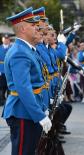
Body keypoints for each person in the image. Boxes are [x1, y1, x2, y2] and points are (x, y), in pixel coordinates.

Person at [2, 7, 52, 155]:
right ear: (23, 28)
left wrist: (43, 107)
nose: (37, 28)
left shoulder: (28, 50)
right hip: (22, 112)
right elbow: (24, 89)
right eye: (33, 25)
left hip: (28, 110)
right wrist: (40, 115)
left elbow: (38, 82)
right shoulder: (19, 53)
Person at [0, 34, 11, 106]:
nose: (6, 40)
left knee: (9, 87)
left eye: (7, 39)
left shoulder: (12, 48)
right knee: (1, 87)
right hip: (1, 70)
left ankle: (9, 102)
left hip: (9, 71)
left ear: (9, 40)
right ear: (2, 40)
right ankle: (1, 100)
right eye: (5, 39)